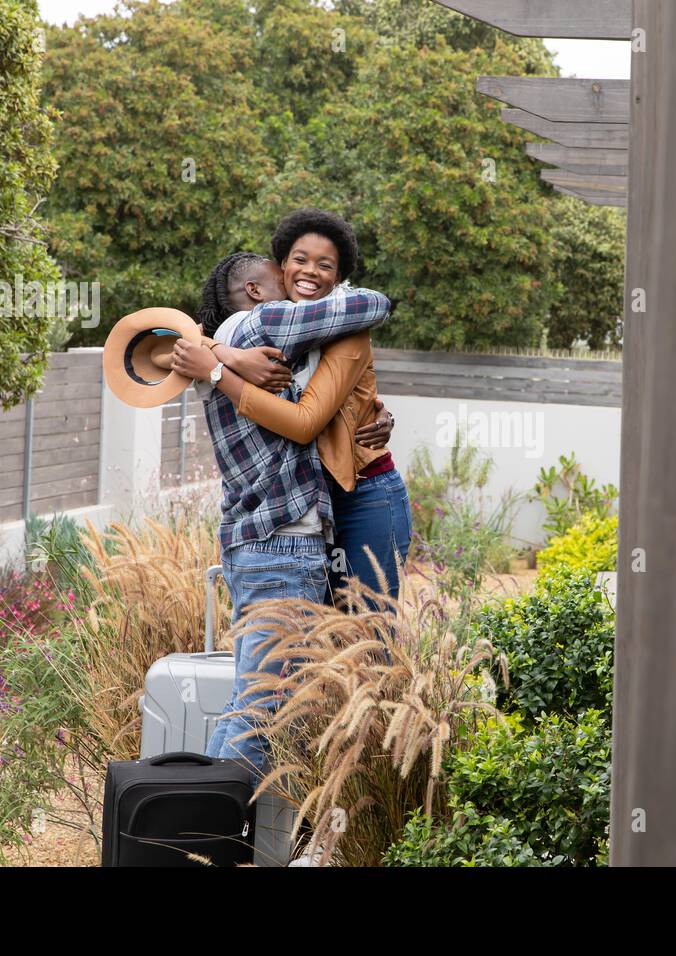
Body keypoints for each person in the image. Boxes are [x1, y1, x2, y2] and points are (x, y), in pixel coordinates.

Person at [175, 210, 393, 778]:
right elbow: (374, 304)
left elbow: (322, 409)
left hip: (252, 544)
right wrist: (227, 365)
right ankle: (212, 839)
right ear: (257, 290)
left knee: (249, 701)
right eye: (291, 265)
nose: (306, 277)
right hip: (284, 544)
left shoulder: (221, 345)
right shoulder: (265, 325)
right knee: (265, 711)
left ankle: (204, 829)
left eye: (326, 266)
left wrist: (216, 357)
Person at [175, 211, 412, 609]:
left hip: (364, 494)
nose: (310, 272)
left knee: (365, 633)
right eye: (300, 259)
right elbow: (179, 343)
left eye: (326, 265)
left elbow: (305, 423)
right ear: (282, 266)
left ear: (337, 277)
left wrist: (217, 369)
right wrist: (224, 351)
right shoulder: (273, 330)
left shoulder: (346, 328)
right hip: (310, 499)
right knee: (319, 639)